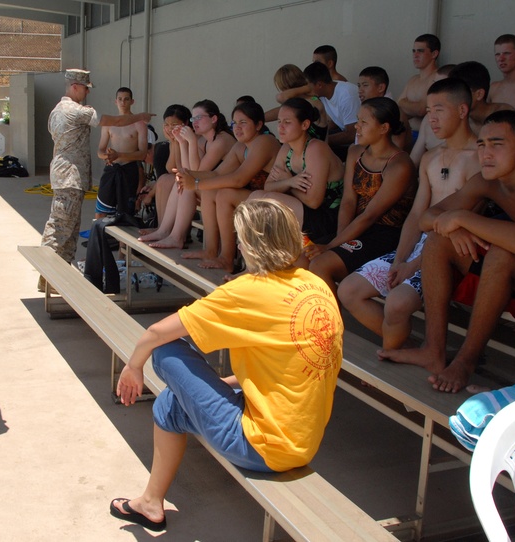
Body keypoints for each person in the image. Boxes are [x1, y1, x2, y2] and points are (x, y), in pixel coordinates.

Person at [111, 198, 343, 532]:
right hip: (304, 441)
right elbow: (290, 364)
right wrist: (221, 385)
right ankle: (150, 502)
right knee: (171, 404)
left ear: (249, 243)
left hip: (261, 445)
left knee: (167, 352)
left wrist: (133, 367)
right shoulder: (315, 284)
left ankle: (149, 502)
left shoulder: (250, 290)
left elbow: (156, 334)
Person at [379, 111, 515, 393]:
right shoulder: (487, 181)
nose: (486, 153)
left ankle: (466, 361)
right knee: (438, 241)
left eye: (497, 144)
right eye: (482, 144)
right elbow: (428, 217)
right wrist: (452, 227)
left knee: (502, 253)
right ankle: (434, 351)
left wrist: (462, 218)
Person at [339, 79, 480, 350]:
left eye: (439, 109)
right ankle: (399, 346)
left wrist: (410, 266)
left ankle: (392, 352)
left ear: (462, 111)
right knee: (349, 290)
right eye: (428, 110)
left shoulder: (477, 158)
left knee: (397, 302)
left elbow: (464, 220)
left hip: (449, 249)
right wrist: (400, 260)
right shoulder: (430, 156)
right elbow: (416, 214)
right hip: (415, 245)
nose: (431, 118)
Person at [41, 69, 154, 278]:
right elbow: (114, 121)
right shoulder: (75, 110)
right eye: (85, 88)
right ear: (75, 86)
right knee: (61, 228)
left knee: (70, 227)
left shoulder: (56, 110)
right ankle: (49, 275)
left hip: (67, 176)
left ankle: (58, 275)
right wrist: (141, 116)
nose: (87, 92)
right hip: (70, 176)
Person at [305, 97, 415, 293]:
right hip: (354, 227)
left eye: (364, 122)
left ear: (384, 128)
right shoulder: (356, 152)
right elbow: (348, 200)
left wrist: (332, 246)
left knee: (320, 265)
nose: (357, 127)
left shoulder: (400, 165)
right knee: (301, 258)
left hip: (384, 233)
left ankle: (332, 320)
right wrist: (340, 239)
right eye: (358, 120)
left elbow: (370, 215)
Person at [174, 101, 280, 272]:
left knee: (224, 195)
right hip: (254, 196)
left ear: (259, 124)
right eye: (234, 123)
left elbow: (238, 179)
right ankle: (210, 250)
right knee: (209, 192)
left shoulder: (265, 141)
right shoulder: (240, 146)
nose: (237, 127)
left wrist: (196, 183)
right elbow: (217, 173)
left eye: (243, 122)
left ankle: (227, 258)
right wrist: (188, 175)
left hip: (276, 200)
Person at [138, 99, 235, 249]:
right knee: (182, 182)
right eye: (193, 118)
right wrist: (182, 143)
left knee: (186, 186)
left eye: (199, 118)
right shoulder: (204, 140)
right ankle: (165, 231)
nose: (194, 122)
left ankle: (176, 236)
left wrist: (190, 142)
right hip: (210, 187)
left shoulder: (221, 140)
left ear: (214, 119)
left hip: (225, 191)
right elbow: (188, 169)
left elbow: (198, 173)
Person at [248, 97, 344, 247]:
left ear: (305, 124)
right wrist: (289, 181)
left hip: (326, 218)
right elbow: (268, 186)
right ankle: (252, 263)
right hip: (302, 209)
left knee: (269, 203)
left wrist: (288, 184)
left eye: (287, 122)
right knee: (256, 197)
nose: (280, 127)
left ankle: (263, 263)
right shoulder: (286, 148)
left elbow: (314, 201)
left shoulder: (316, 149)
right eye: (279, 122)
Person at [410, 61, 513, 166]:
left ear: (479, 94)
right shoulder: (451, 121)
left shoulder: (503, 116)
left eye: (459, 89)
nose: (451, 93)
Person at [95, 87, 148, 219]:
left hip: (129, 170)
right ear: (115, 101)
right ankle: (99, 238)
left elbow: (142, 154)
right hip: (111, 169)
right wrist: (106, 156)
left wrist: (119, 155)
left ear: (132, 101)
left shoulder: (139, 124)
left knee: (125, 213)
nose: (123, 102)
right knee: (101, 210)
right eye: (120, 99)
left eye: (126, 99)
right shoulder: (108, 124)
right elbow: (100, 149)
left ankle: (122, 240)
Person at [304, 61, 361, 158]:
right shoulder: (322, 94)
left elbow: (352, 134)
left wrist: (320, 140)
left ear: (319, 85)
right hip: (345, 132)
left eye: (308, 87)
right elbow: (335, 121)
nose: (306, 90)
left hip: (358, 143)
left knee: (315, 151)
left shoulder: (346, 95)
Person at [266, 64, 329, 140]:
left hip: (315, 149)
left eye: (282, 88)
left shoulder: (313, 100)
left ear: (287, 86)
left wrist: (307, 88)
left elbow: (280, 97)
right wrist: (257, 119)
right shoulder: (298, 103)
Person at [356, 66, 410, 150]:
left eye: (365, 85)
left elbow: (396, 149)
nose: (360, 90)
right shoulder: (366, 108)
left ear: (381, 88)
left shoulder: (394, 113)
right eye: (359, 86)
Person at [398, 34, 441, 136]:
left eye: (420, 51)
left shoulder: (438, 77)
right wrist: (414, 108)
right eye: (414, 51)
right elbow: (398, 103)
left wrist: (407, 105)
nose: (415, 55)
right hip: (406, 133)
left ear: (434, 54)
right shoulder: (413, 79)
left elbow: (422, 109)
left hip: (427, 137)